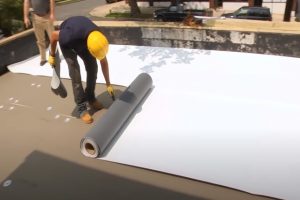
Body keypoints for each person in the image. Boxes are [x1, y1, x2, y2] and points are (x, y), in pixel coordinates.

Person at [48, 16, 115, 124]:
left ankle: (91, 98)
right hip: (68, 45)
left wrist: (108, 84)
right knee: (76, 75)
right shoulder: (69, 36)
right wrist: (52, 55)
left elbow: (104, 62)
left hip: (83, 39)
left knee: (93, 68)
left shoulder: (98, 38)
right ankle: (81, 108)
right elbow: (54, 35)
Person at [23, 0, 55, 66]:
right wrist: (26, 17)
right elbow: (26, 2)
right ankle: (43, 59)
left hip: (47, 16)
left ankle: (54, 57)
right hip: (36, 17)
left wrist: (52, 14)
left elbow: (52, 1)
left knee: (53, 39)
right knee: (40, 40)